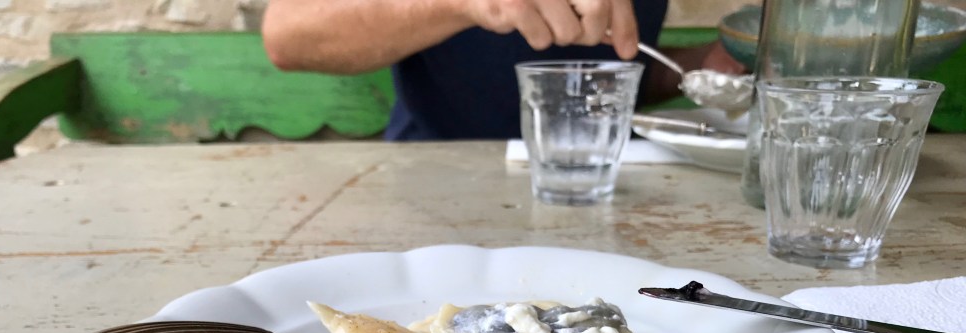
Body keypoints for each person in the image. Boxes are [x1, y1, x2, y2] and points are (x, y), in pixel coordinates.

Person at [261, 0, 743, 140]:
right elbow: (289, 34)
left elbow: (617, 68)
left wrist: (698, 67)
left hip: (624, 184)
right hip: (439, 176)